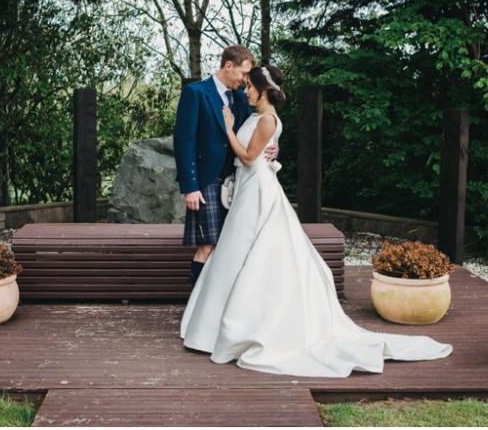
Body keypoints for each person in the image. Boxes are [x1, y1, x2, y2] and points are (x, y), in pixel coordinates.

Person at [180, 65, 453, 378]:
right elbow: (251, 150)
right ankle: (216, 326)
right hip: (246, 188)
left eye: (249, 88)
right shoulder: (255, 116)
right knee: (235, 252)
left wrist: (229, 129)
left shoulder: (268, 119)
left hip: (257, 191)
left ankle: (242, 325)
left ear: (263, 89)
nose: (244, 91)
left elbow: (247, 157)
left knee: (249, 251)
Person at [173, 45, 276, 285]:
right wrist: (191, 186)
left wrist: (273, 147)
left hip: (238, 182)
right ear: (228, 66)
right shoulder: (195, 93)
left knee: (231, 246)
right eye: (243, 73)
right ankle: (197, 308)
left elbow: (254, 132)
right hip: (206, 182)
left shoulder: (240, 97)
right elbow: (184, 141)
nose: (245, 79)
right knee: (207, 245)